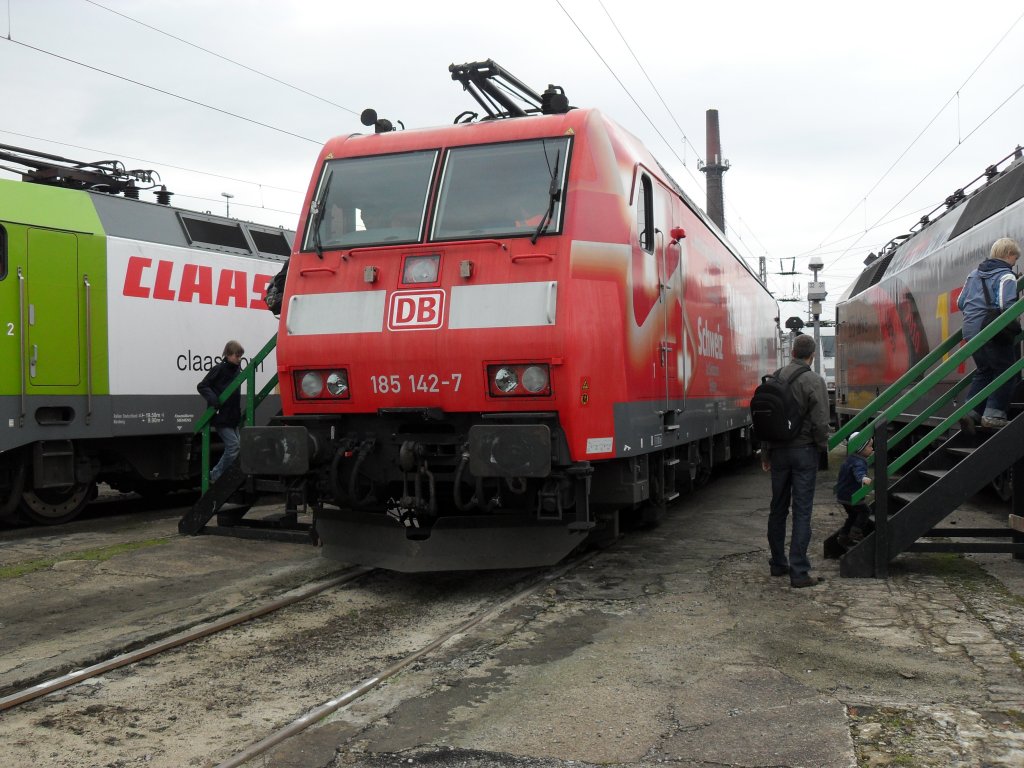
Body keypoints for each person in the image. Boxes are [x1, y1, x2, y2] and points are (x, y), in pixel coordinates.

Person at [761, 333, 831, 588]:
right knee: (802, 511)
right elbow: (821, 421)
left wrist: (766, 452)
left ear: (792, 352)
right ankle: (799, 572)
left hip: (778, 452)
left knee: (777, 508)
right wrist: (822, 449)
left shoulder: (776, 377)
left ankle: (778, 564)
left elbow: (767, 416)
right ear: (811, 355)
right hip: (804, 452)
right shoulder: (814, 380)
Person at [957, 237, 1021, 429]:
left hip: (971, 330)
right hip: (992, 330)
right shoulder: (1006, 276)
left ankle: (971, 412)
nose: (1015, 263)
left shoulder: (973, 274)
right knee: (1007, 371)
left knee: (984, 371)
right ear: (1009, 254)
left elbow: (961, 302)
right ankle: (993, 415)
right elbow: (1005, 305)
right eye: (1015, 258)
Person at [197, 340, 244, 484]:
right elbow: (202, 385)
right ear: (228, 355)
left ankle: (224, 475)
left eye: (240, 356)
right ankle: (216, 474)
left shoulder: (237, 371)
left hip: (232, 416)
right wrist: (213, 400)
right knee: (234, 446)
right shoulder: (219, 369)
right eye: (237, 355)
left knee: (238, 448)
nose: (239, 358)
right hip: (221, 416)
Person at [835, 432, 873, 549]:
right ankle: (856, 533)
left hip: (843, 495)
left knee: (852, 516)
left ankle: (843, 536)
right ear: (860, 448)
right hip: (852, 495)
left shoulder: (850, 459)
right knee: (865, 511)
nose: (872, 449)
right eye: (870, 446)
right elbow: (859, 473)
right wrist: (863, 478)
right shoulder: (859, 462)